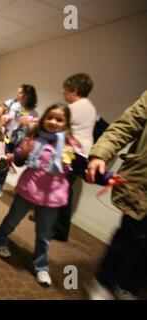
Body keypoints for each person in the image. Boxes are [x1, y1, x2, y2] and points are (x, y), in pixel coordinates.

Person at [0, 103, 111, 286]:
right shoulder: (34, 137)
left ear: (67, 123)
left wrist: (106, 178)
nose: (54, 122)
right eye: (50, 117)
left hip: (52, 197)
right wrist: (22, 152)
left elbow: (82, 170)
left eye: (59, 119)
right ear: (44, 118)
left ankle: (41, 267)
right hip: (29, 189)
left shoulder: (72, 145)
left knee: (45, 234)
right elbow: (19, 160)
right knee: (12, 219)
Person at [87, 90, 147, 300]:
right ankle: (104, 281)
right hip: (142, 188)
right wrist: (100, 153)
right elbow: (125, 126)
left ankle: (129, 287)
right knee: (128, 236)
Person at [53, 73, 97, 241]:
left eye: (66, 90)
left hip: (72, 155)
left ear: (75, 90)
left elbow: (55, 127)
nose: (64, 94)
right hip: (82, 154)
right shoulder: (90, 107)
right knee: (63, 189)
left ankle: (59, 230)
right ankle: (53, 223)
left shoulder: (73, 108)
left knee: (62, 189)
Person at [0, 85, 39, 198]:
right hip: (5, 136)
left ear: (28, 96)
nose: (18, 95)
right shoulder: (11, 103)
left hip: (18, 142)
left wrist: (29, 124)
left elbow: (32, 131)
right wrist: (3, 118)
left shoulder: (33, 113)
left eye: (21, 93)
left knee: (6, 164)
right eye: (18, 92)